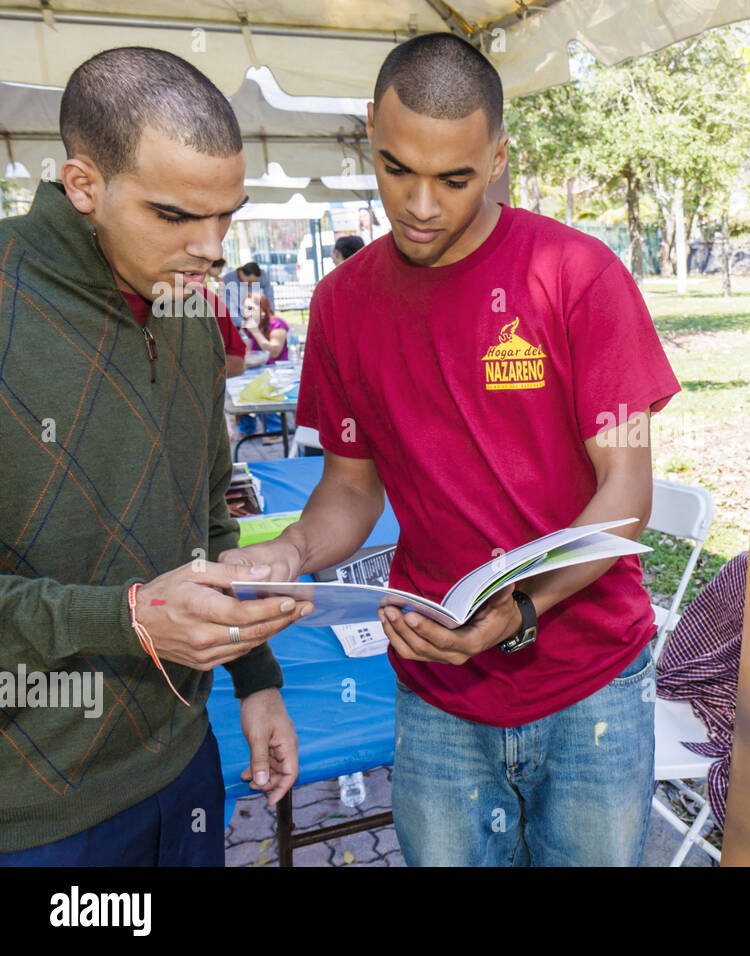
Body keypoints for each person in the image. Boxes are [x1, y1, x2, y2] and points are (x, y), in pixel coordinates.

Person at [221, 32, 680, 866]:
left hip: (592, 682)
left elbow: (628, 493)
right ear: (371, 133)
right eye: (398, 169)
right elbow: (352, 489)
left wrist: (522, 611)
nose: (421, 204)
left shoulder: (579, 275)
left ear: (500, 157)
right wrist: (289, 551)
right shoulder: (343, 303)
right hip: (436, 690)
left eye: (455, 178)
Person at [0, 46, 311, 865]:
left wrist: (257, 678)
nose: (210, 248)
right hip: (34, 812)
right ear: (83, 186)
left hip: (184, 763)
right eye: (175, 216)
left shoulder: (185, 309)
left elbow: (207, 511)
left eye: (227, 216)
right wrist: (127, 619)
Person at [236, 289, 290, 440]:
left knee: (258, 391)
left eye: (251, 308)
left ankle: (276, 430)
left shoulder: (277, 324)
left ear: (263, 309)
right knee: (239, 388)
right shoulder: (251, 326)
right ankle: (247, 429)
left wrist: (255, 331)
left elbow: (274, 351)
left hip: (275, 371)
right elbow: (247, 351)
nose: (247, 313)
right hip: (256, 370)